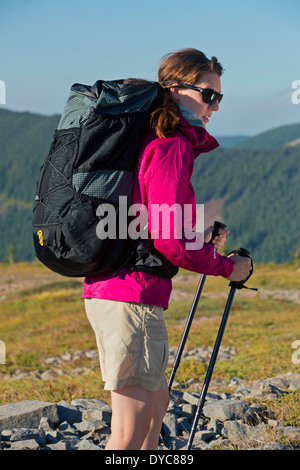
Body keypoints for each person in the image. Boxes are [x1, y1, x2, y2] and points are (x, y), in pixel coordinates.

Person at [83, 48, 251, 450]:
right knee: (129, 433)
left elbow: (151, 223)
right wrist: (227, 268)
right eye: (208, 94)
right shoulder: (170, 145)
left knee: (154, 414)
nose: (214, 106)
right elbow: (169, 241)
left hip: (120, 290)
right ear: (175, 90)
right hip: (132, 296)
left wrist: (201, 238)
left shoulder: (148, 139)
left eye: (219, 97)